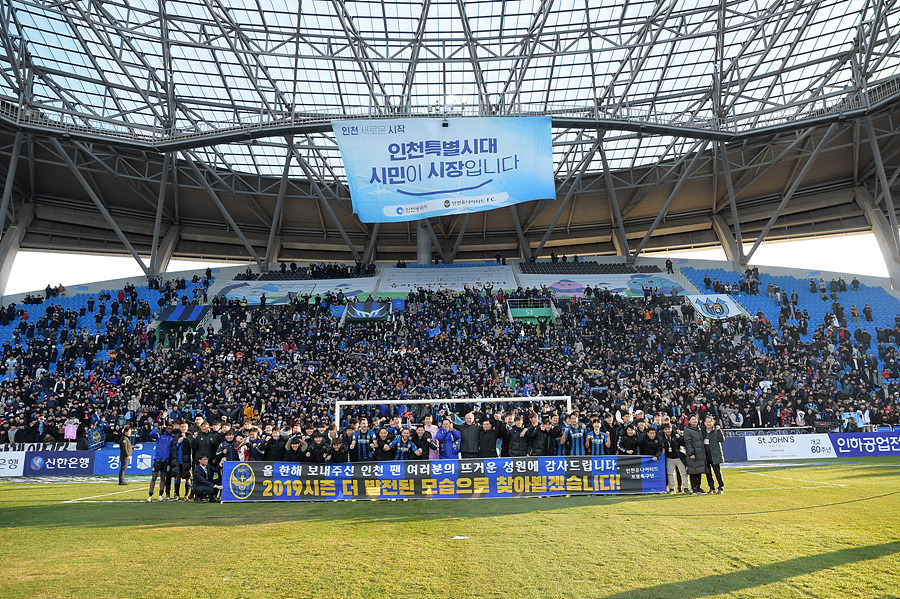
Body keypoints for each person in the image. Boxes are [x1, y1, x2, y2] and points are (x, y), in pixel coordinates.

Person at [147, 423, 173, 502]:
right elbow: (151, 434)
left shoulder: (172, 438)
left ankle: (160, 495)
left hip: (166, 461)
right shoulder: (160, 436)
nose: (169, 430)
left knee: (163, 479)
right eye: (168, 428)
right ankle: (150, 495)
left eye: (171, 428)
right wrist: (158, 428)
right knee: (154, 478)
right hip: (158, 460)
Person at [660, 423, 688, 494]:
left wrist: (679, 438)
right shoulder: (661, 436)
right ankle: (672, 488)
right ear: (663, 430)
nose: (668, 431)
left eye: (669, 429)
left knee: (683, 473)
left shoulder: (676, 434)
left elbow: (684, 443)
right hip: (669, 457)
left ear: (671, 428)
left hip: (679, 457)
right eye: (666, 429)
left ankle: (686, 487)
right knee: (670, 473)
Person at [683, 414, 708, 494]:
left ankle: (698, 487)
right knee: (693, 471)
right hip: (693, 454)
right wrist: (691, 453)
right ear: (689, 421)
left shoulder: (699, 429)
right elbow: (688, 443)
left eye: (695, 419)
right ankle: (694, 488)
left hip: (700, 453)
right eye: (693, 419)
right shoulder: (687, 430)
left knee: (699, 470)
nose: (694, 421)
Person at [170, 422, 193, 500]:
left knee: (188, 477)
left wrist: (185, 439)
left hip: (187, 460)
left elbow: (192, 446)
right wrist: (178, 443)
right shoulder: (176, 436)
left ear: (187, 428)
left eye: (185, 427)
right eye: (182, 427)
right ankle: (176, 494)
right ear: (180, 428)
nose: (183, 428)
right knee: (177, 476)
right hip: (178, 460)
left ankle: (186, 495)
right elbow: (173, 448)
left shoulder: (190, 436)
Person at [703, 415, 726, 494]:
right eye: (707, 422)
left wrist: (719, 431)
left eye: (710, 422)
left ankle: (721, 487)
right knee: (708, 472)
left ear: (713, 422)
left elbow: (722, 439)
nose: (708, 423)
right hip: (705, 454)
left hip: (714, 454)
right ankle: (711, 488)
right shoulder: (702, 431)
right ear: (704, 423)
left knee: (717, 472)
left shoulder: (716, 430)